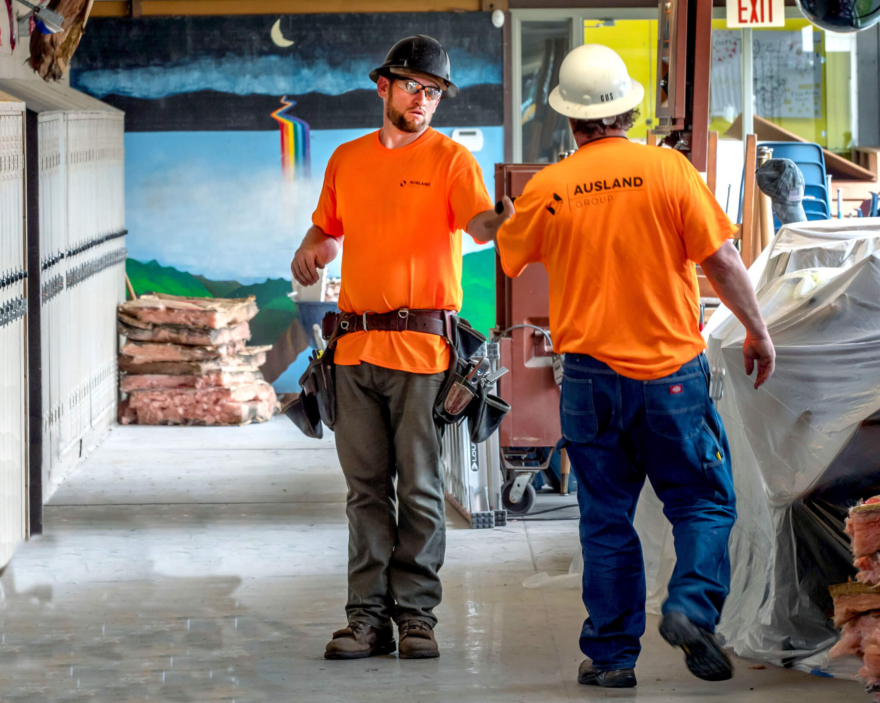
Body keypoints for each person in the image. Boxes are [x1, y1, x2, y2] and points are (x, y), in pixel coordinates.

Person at [470, 44, 776, 688]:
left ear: (570, 119)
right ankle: (691, 607)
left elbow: (509, 258)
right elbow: (721, 259)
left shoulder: (549, 186)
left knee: (606, 518)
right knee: (702, 502)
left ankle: (611, 659)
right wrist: (756, 329)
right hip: (670, 377)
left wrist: (509, 217)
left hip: (586, 380)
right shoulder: (669, 171)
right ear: (629, 110)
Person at [290, 34, 494, 661]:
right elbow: (327, 230)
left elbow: (480, 223)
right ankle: (365, 621)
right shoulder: (347, 160)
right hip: (351, 353)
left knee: (423, 490)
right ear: (384, 86)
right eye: (414, 87)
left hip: (424, 355)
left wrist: (507, 221)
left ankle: (417, 618)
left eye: (434, 92)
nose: (424, 100)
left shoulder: (452, 161)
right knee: (366, 492)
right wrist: (310, 251)